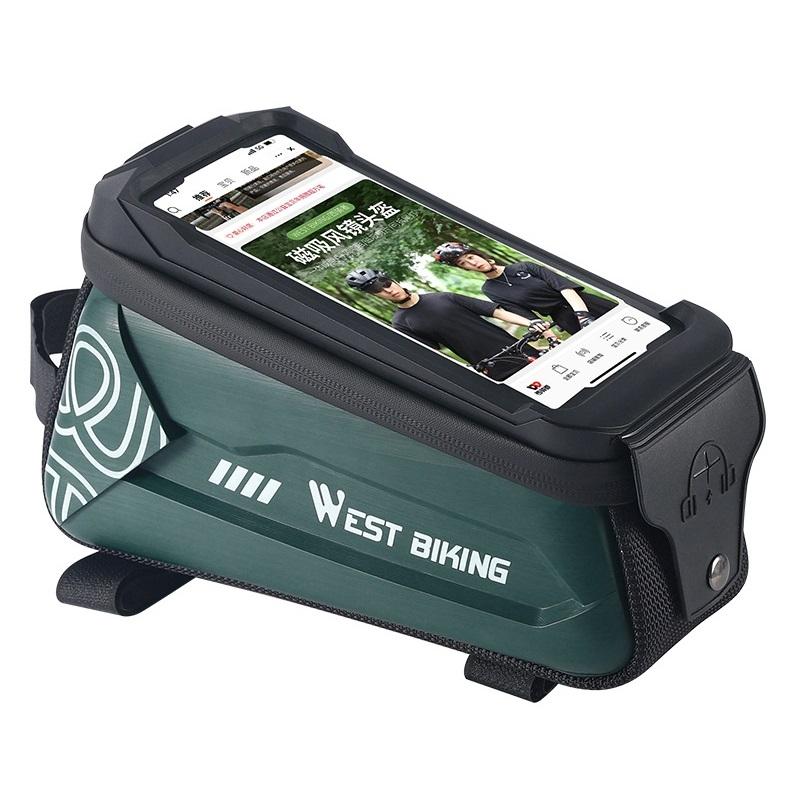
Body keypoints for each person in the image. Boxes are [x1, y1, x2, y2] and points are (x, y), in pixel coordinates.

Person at [345, 269, 549, 380]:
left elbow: (496, 312)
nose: (389, 290)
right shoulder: (400, 324)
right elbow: (433, 356)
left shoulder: (444, 297)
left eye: (387, 284)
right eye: (380, 291)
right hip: (493, 368)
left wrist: (531, 323)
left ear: (395, 281)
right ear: (376, 296)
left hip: (522, 350)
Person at [432, 242, 616, 334]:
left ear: (477, 254)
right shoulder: (490, 290)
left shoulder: (524, 267)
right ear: (464, 269)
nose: (473, 263)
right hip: (565, 319)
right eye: (464, 263)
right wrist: (549, 335)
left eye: (470, 257)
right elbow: (527, 316)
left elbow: (564, 287)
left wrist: (583, 315)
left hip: (585, 305)